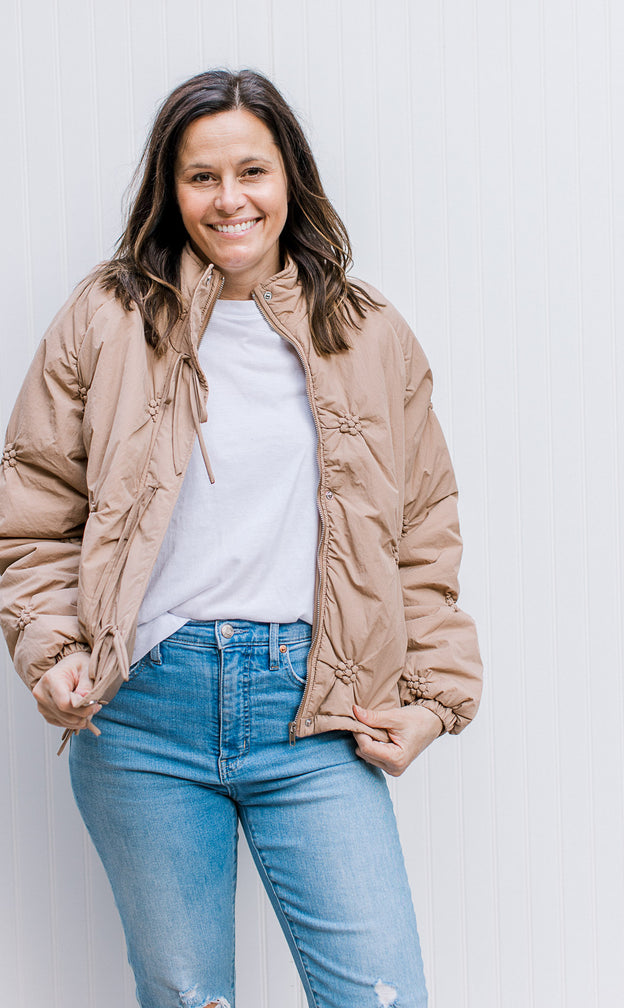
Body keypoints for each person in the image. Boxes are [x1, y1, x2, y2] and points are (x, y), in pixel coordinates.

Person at [0, 69, 483, 1008]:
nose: (230, 200)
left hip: (317, 714)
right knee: (188, 1000)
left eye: (252, 171)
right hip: (144, 712)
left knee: (381, 994)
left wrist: (434, 697)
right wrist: (50, 647)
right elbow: (35, 509)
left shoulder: (367, 332)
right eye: (201, 177)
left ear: (290, 177)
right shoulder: (105, 319)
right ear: (169, 191)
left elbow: (424, 528)